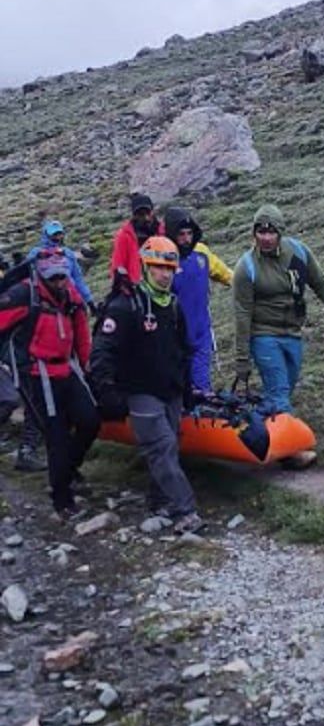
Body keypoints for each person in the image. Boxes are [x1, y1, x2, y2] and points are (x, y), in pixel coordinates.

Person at [90, 236, 203, 532]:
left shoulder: (173, 305)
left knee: (169, 445)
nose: (164, 275)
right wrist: (107, 391)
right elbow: (102, 351)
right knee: (161, 446)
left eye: (169, 269)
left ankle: (159, 501)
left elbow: (182, 351)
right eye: (158, 268)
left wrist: (187, 390)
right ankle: (185, 510)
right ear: (145, 267)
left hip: (170, 390)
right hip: (140, 392)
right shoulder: (126, 305)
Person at [231, 204, 324, 421]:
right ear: (254, 233)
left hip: (293, 333)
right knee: (279, 393)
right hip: (263, 335)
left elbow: (320, 282)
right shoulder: (246, 267)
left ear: (280, 232)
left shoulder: (299, 252)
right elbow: (242, 314)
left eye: (271, 232)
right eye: (261, 232)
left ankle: (254, 425)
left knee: (283, 391)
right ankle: (288, 438)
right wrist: (242, 359)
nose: (266, 238)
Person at [0, 249, 98, 516]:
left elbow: (81, 329)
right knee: (56, 436)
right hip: (36, 372)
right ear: (42, 276)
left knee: (90, 420)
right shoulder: (24, 295)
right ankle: (62, 499)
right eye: (53, 278)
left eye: (62, 276)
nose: (59, 282)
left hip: (66, 366)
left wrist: (87, 364)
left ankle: (68, 469)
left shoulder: (70, 295)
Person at [163, 206, 232, 393]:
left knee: (202, 385)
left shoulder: (201, 252)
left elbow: (225, 274)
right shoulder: (164, 257)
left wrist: (245, 285)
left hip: (201, 331)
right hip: (175, 335)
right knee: (180, 387)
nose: (186, 239)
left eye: (189, 233)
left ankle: (203, 404)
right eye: (181, 234)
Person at [27, 220, 97, 313]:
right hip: (46, 298)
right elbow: (29, 276)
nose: (57, 237)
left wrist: (89, 301)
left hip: (70, 296)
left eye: (59, 234)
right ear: (46, 234)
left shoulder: (67, 253)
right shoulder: (36, 253)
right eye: (54, 234)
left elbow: (78, 279)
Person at [109, 193, 164, 285]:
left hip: (162, 283)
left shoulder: (162, 231)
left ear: (152, 212)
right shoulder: (125, 235)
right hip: (137, 285)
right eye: (141, 214)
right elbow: (118, 265)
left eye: (148, 213)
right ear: (134, 215)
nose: (146, 218)